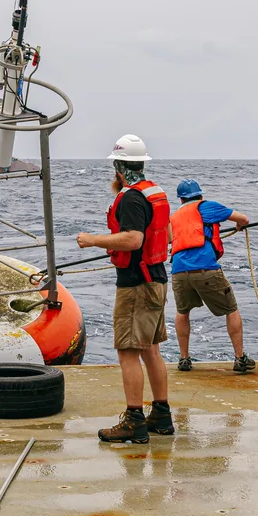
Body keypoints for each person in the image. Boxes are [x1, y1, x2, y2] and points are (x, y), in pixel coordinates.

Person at [76, 134, 174, 443]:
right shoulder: (155, 193)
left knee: (129, 351)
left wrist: (93, 240)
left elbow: (133, 239)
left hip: (137, 285)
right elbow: (168, 235)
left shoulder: (131, 198)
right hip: (157, 279)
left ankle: (134, 421)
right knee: (151, 349)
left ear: (118, 167)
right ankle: (161, 415)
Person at [170, 178, 255, 373]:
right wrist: (239, 226)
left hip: (179, 272)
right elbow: (244, 219)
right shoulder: (208, 207)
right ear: (200, 195)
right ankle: (240, 359)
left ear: (181, 200)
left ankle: (184, 359)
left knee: (182, 311)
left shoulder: (173, 217)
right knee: (231, 309)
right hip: (205, 269)